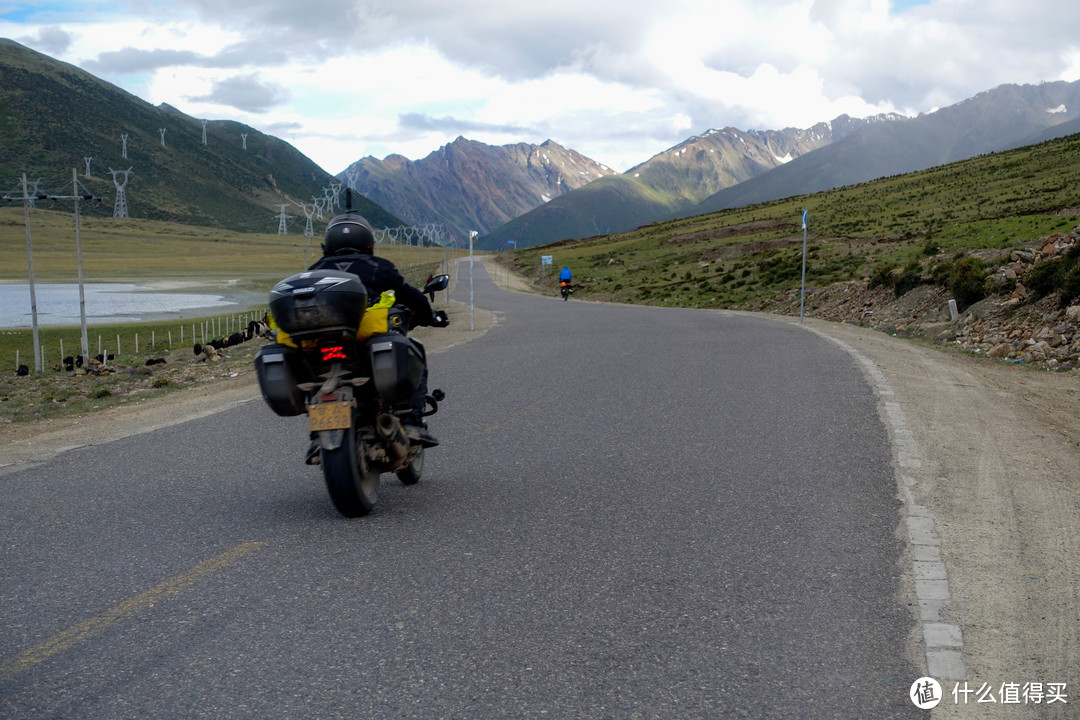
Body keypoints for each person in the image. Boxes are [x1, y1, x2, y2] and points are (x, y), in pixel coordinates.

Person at [304, 210, 449, 462]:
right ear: (367, 241)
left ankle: (319, 436)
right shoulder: (377, 267)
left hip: (323, 345)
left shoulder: (315, 270)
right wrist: (431, 317)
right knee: (414, 351)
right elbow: (410, 295)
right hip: (366, 342)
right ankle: (411, 421)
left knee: (316, 376)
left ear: (328, 243)